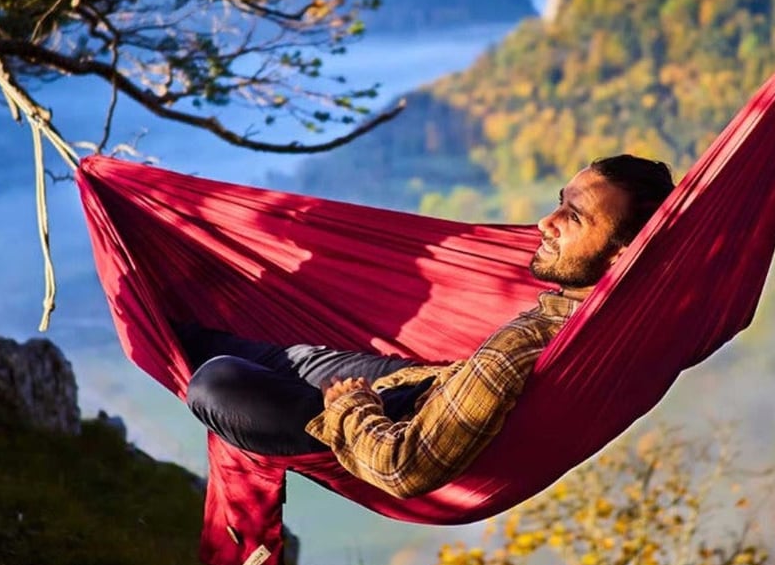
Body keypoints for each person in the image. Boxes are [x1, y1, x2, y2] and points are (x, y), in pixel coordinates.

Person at [181, 155, 674, 498]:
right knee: (269, 352)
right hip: (429, 381)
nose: (546, 222)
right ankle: (170, 322)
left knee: (214, 380)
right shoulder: (610, 316)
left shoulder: (523, 350)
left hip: (385, 417)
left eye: (574, 217)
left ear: (623, 251)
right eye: (559, 202)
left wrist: (352, 407)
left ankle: (171, 324)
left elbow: (402, 468)